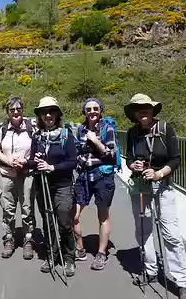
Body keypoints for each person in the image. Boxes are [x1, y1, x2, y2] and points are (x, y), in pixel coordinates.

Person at [125, 93, 186, 299]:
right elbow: (129, 156)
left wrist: (159, 173)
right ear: (135, 113)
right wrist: (133, 165)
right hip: (140, 187)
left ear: (153, 110)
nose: (143, 111)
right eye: (139, 108)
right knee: (144, 230)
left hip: (163, 187)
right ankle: (151, 271)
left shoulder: (166, 130)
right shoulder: (132, 132)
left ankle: (182, 283)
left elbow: (175, 159)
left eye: (146, 107)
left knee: (171, 234)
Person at [27, 96, 77, 276]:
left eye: (51, 111)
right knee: (48, 222)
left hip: (62, 185)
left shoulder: (66, 135)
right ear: (40, 116)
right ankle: (51, 256)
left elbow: (73, 162)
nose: (48, 115)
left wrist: (52, 167)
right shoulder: (37, 136)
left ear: (57, 114)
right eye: (44, 112)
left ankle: (69, 258)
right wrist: (34, 162)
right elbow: (32, 161)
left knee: (64, 222)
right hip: (42, 184)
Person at [74, 98, 117, 270]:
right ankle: (79, 248)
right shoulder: (80, 129)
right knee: (73, 214)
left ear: (100, 110)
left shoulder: (108, 129)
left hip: (102, 176)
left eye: (96, 108)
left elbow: (112, 156)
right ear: (84, 111)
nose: (92, 111)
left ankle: (101, 253)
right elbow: (77, 151)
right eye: (89, 109)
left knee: (102, 215)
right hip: (84, 176)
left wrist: (96, 141)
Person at [0, 96, 36, 260]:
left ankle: (28, 240)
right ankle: (9, 238)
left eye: (18, 109)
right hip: (6, 174)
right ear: (8, 112)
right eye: (12, 110)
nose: (16, 112)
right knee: (8, 208)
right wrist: (8, 160)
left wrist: (25, 161)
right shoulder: (2, 129)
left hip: (26, 173)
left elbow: (37, 148)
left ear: (22, 110)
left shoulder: (31, 127)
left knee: (27, 208)